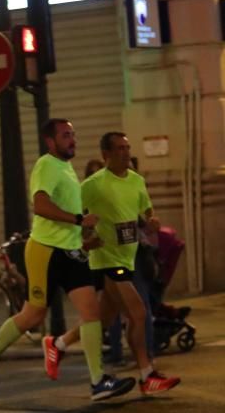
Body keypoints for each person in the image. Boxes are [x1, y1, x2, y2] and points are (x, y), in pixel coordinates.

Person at [0, 120, 135, 401]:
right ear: (50, 141)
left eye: (73, 134)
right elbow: (40, 205)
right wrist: (78, 219)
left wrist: (84, 237)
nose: (72, 139)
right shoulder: (47, 165)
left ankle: (98, 382)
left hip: (72, 253)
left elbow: (68, 215)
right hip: (46, 252)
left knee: (91, 314)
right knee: (33, 315)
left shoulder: (66, 168)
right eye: (65, 135)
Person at [41, 133, 179, 393]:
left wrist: (151, 220)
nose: (126, 153)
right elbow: (73, 218)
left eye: (127, 147)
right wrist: (84, 238)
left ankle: (58, 344)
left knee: (103, 319)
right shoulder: (92, 185)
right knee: (138, 313)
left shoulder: (136, 180)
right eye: (119, 149)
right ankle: (147, 374)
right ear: (106, 154)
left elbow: (146, 209)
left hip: (128, 256)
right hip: (106, 258)